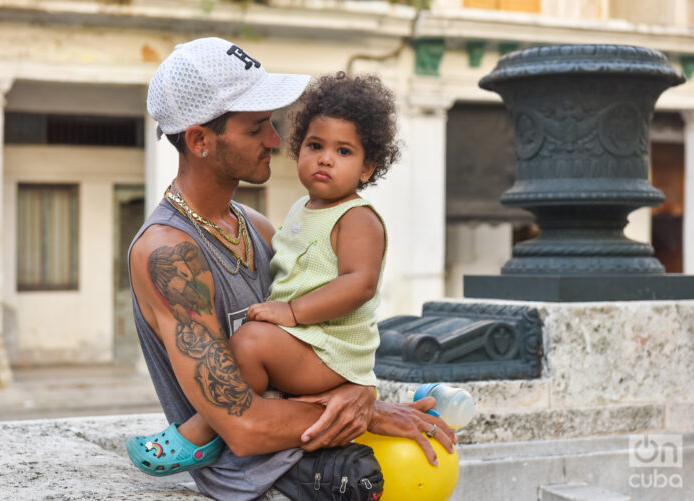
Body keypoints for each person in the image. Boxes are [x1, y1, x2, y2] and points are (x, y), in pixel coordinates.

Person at [126, 37, 454, 500]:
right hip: (255, 478)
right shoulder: (167, 253)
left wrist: (360, 391)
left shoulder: (257, 228)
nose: (276, 141)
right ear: (200, 140)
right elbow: (241, 425)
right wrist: (369, 412)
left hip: (310, 445)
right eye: (257, 128)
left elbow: (326, 327)